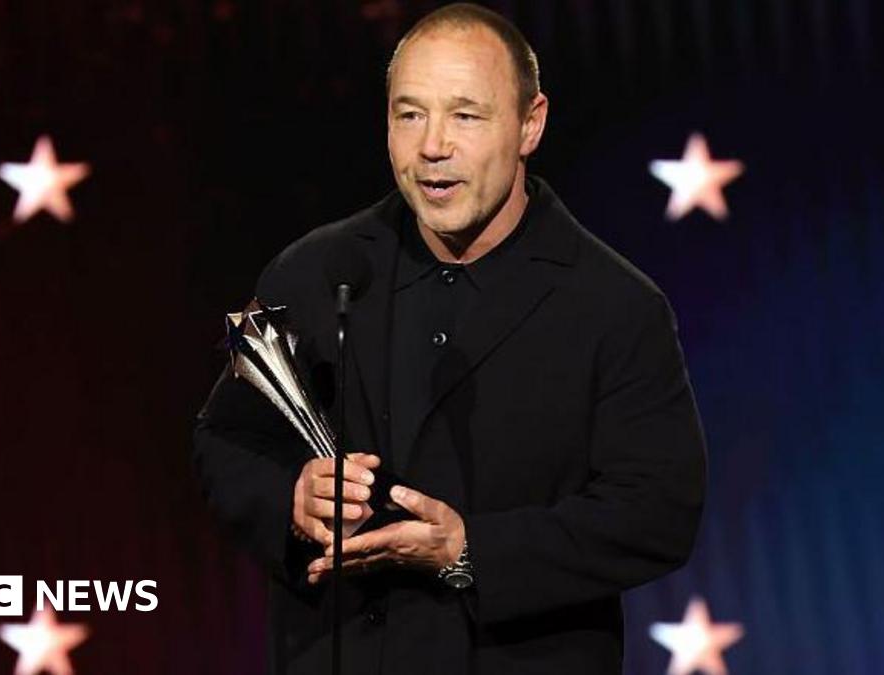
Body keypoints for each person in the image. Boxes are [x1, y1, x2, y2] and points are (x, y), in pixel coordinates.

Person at [193, 4, 707, 674]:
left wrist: (471, 552)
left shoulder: (614, 305)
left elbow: (657, 511)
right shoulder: (315, 271)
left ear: (530, 124)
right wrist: (293, 498)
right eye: (410, 114)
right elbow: (225, 440)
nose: (432, 145)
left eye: (465, 116)